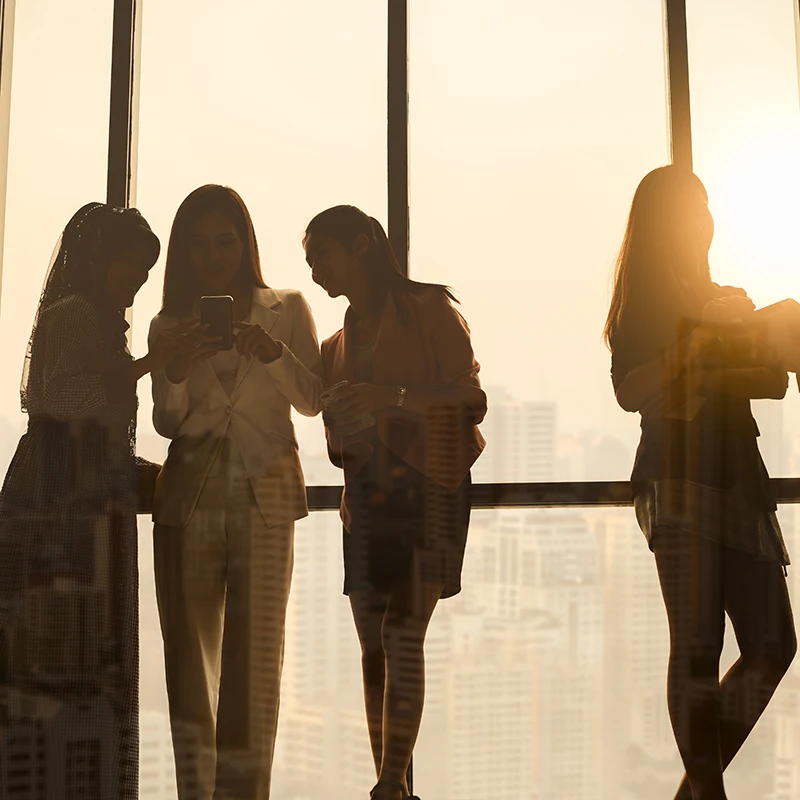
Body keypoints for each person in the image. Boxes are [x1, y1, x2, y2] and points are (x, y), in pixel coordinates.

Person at [605, 166, 796, 800]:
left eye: (707, 204)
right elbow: (629, 389)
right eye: (691, 205)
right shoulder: (644, 307)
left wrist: (755, 340)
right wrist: (701, 343)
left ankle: (695, 791)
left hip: (738, 473)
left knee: (773, 642)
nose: (703, 216)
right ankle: (707, 792)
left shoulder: (726, 294)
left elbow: (768, 384)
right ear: (663, 223)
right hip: (678, 476)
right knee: (698, 642)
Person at [303, 205, 486, 800]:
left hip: (432, 489)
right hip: (367, 500)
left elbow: (470, 400)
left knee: (403, 631)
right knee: (372, 647)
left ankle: (389, 782)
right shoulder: (335, 344)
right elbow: (337, 438)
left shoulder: (431, 311)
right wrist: (350, 421)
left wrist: (390, 397)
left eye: (321, 256)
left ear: (361, 246)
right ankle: (395, 782)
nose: (315, 273)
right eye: (309, 262)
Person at [149, 184, 323, 800]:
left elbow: (313, 400)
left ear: (246, 243)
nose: (214, 256)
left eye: (226, 241)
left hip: (267, 498)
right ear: (184, 253)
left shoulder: (289, 308)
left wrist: (273, 354)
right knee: (189, 673)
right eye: (199, 246)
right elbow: (167, 423)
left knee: (256, 671)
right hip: (187, 500)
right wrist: (171, 369)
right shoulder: (168, 323)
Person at [0, 202, 173, 798]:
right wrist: (150, 366)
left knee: (75, 654)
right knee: (67, 649)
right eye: (134, 269)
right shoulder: (73, 315)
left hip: (76, 498)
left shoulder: (92, 318)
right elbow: (68, 401)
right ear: (105, 260)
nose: (139, 283)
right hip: (59, 505)